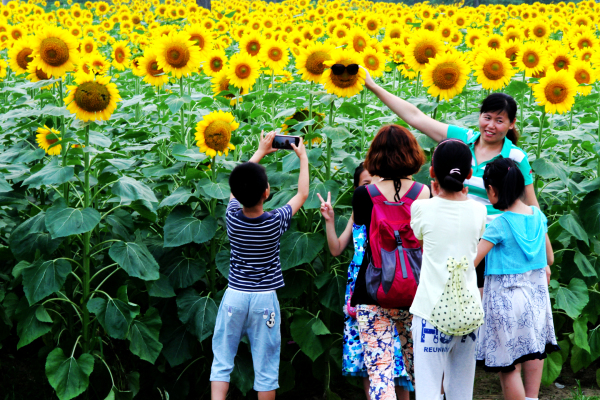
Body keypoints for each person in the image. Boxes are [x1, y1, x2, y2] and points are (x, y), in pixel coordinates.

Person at [361, 68, 539, 297]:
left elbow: (532, 208)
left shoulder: (516, 157)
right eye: (487, 117)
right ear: (480, 116)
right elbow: (417, 117)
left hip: (492, 247)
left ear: (512, 124)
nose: (491, 125)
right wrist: (374, 86)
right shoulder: (462, 140)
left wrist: (541, 260)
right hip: (451, 239)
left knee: (479, 309)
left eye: (499, 120)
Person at [210, 131, 309, 400]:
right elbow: (302, 193)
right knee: (265, 368)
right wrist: (302, 158)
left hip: (235, 296)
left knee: (222, 361)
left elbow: (235, 188)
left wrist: (260, 151)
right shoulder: (275, 221)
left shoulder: (232, 216)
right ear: (267, 192)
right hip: (265, 299)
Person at [317, 164, 413, 398]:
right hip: (361, 289)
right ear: (358, 190)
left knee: (398, 365)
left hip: (390, 284)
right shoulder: (357, 212)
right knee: (368, 363)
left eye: (377, 182)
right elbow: (336, 248)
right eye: (366, 184)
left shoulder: (395, 209)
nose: (373, 188)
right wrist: (329, 220)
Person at [351, 124, 430, 400]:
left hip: (373, 290)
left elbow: (361, 226)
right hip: (417, 292)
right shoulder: (425, 194)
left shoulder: (364, 195)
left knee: (380, 375)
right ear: (412, 154)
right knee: (422, 371)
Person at [409, 139, 487, 400]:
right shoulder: (479, 211)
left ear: (432, 172)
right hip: (470, 313)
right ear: (469, 175)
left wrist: (434, 196)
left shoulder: (420, 207)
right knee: (461, 392)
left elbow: (422, 242)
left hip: (431, 312)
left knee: (428, 391)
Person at [474, 158, 557, 400]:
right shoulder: (538, 216)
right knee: (534, 351)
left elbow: (472, 262)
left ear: (491, 190)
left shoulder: (499, 224)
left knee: (507, 364)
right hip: (536, 299)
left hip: (505, 302)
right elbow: (549, 258)